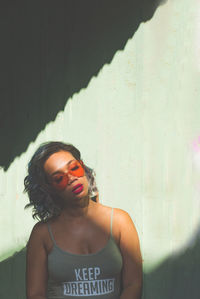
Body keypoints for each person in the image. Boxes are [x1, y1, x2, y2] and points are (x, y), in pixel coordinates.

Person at [24, 141, 142, 299]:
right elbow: (35, 294)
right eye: (59, 178)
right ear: (49, 188)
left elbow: (133, 284)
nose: (72, 178)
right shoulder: (42, 234)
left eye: (74, 168)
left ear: (83, 167)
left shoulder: (120, 221)